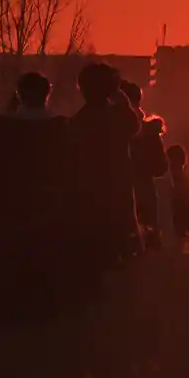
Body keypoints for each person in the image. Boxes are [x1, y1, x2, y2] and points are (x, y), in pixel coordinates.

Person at [0, 72, 68, 319]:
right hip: (49, 196)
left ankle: (15, 301)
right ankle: (45, 301)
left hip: (14, 196)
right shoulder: (59, 125)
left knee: (16, 249)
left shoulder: (6, 125)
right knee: (45, 249)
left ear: (20, 94)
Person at [68, 64, 141, 289]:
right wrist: (122, 100)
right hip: (118, 192)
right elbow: (133, 124)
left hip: (86, 196)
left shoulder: (77, 122)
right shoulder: (119, 119)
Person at [120, 82, 168, 250]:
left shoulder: (112, 131)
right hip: (142, 193)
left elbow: (161, 167)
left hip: (128, 194)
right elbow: (161, 167)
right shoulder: (149, 131)